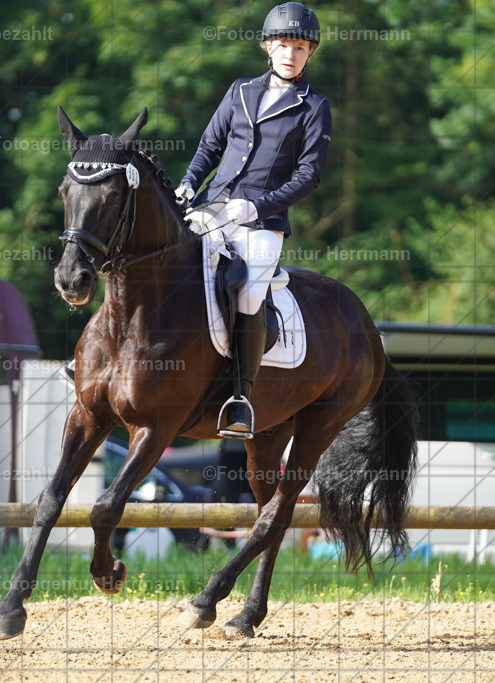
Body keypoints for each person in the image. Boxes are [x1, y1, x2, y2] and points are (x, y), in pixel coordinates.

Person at [178, 2, 332, 439]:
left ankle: (239, 397)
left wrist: (258, 207)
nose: (291, 54)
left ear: (310, 53)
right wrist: (189, 183)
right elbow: (210, 146)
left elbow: (308, 176)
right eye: (283, 45)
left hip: (262, 224)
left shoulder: (314, 107)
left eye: (300, 47)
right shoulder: (240, 91)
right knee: (155, 256)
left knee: (249, 292)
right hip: (210, 206)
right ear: (267, 46)